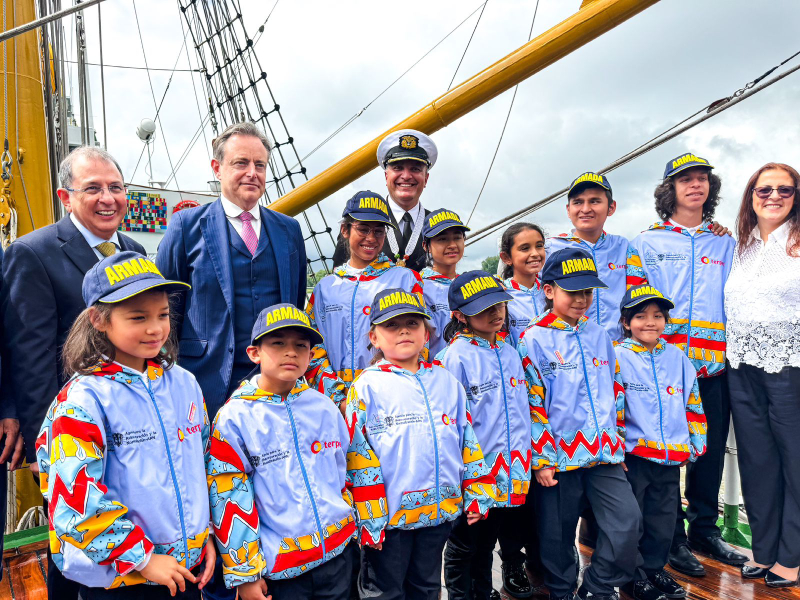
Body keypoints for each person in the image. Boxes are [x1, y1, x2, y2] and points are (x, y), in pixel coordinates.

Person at [0, 146, 145, 600]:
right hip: (74, 433)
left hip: (132, 430)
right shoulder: (33, 252)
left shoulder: (134, 250)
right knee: (79, 541)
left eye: (116, 188)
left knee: (131, 527)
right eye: (94, 189)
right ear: (66, 196)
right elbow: (30, 351)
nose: (108, 199)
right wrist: (48, 443)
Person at [35, 252, 215, 598]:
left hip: (185, 572)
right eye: (138, 317)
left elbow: (203, 464)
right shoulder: (83, 401)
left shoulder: (185, 384)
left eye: (163, 315)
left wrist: (205, 532)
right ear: (99, 320)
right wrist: (143, 559)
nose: (156, 328)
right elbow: (73, 501)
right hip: (121, 581)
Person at [627, 153, 745, 576]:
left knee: (710, 452)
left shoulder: (726, 243)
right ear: (669, 190)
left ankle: (705, 531)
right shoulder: (646, 243)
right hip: (665, 369)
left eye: (702, 179)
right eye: (685, 180)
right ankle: (672, 537)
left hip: (714, 366)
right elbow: (638, 306)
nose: (695, 185)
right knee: (668, 454)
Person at [519, 248, 652, 600]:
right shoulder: (533, 338)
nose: (581, 300)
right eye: (572, 291)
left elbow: (615, 390)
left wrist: (618, 442)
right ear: (549, 291)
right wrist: (542, 459)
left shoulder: (598, 334)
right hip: (558, 459)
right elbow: (532, 403)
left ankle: (595, 587)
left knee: (627, 523)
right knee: (556, 536)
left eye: (587, 292)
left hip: (604, 454)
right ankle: (562, 593)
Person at [346, 287, 496, 599]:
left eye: (413, 323)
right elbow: (357, 456)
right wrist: (370, 516)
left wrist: (478, 490)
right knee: (385, 592)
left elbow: (466, 438)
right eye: (391, 325)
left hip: (438, 515)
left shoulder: (446, 382)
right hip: (389, 523)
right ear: (374, 338)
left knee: (427, 588)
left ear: (426, 333)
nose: (403, 330)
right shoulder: (366, 387)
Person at [156, 121, 307, 420]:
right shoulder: (187, 226)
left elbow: (296, 300)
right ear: (217, 168)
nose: (252, 172)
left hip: (275, 382)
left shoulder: (289, 230)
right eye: (241, 163)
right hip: (204, 380)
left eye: (260, 165)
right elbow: (165, 306)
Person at [207, 303, 357, 600]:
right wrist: (245, 574)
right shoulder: (235, 418)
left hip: (340, 555)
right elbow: (228, 498)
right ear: (254, 353)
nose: (291, 352)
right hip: (281, 570)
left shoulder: (325, 408)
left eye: (300, 345)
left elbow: (347, 470)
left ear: (311, 355)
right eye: (278, 343)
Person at [725, 163, 800, 588]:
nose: (773, 196)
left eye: (784, 189)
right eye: (764, 188)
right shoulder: (740, 246)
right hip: (743, 368)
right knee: (758, 463)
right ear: (751, 194)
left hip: (791, 368)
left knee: (795, 463)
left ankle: (791, 557)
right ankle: (766, 551)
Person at [437, 271, 530, 600]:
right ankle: (463, 595)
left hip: (510, 469)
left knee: (488, 538)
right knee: (464, 542)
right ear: (460, 316)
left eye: (500, 305)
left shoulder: (509, 351)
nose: (495, 313)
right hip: (475, 469)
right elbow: (449, 423)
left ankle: (483, 590)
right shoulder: (454, 357)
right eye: (483, 308)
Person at [616, 285, 708, 600]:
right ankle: (633, 577)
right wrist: (615, 450)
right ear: (626, 322)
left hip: (670, 458)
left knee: (663, 520)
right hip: (635, 456)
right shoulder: (618, 357)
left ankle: (655, 569)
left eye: (657, 315)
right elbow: (611, 409)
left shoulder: (677, 357)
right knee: (633, 520)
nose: (650, 322)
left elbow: (692, 402)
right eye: (640, 316)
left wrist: (694, 443)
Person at [305, 191, 424, 408]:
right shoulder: (324, 288)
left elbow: (421, 343)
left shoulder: (406, 280)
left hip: (391, 401)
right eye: (363, 229)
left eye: (379, 231)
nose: (371, 238)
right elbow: (311, 348)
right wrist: (339, 401)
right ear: (344, 230)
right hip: (334, 407)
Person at [332, 129, 436, 272]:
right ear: (386, 176)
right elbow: (340, 277)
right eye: (398, 168)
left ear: (426, 178)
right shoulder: (358, 220)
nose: (406, 176)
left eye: (415, 169)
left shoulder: (437, 226)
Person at [547, 173, 628, 341]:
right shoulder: (548, 248)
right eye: (578, 202)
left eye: (595, 201)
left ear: (611, 207)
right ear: (568, 210)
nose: (585, 209)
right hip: (567, 348)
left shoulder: (624, 247)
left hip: (617, 349)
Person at [420, 208, 469, 356]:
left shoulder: (470, 285)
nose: (452, 244)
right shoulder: (418, 286)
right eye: (442, 239)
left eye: (457, 237)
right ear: (426, 246)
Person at [499, 222, 547, 346]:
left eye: (539, 246)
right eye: (525, 248)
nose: (535, 253)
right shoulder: (501, 295)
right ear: (506, 258)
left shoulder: (552, 291)